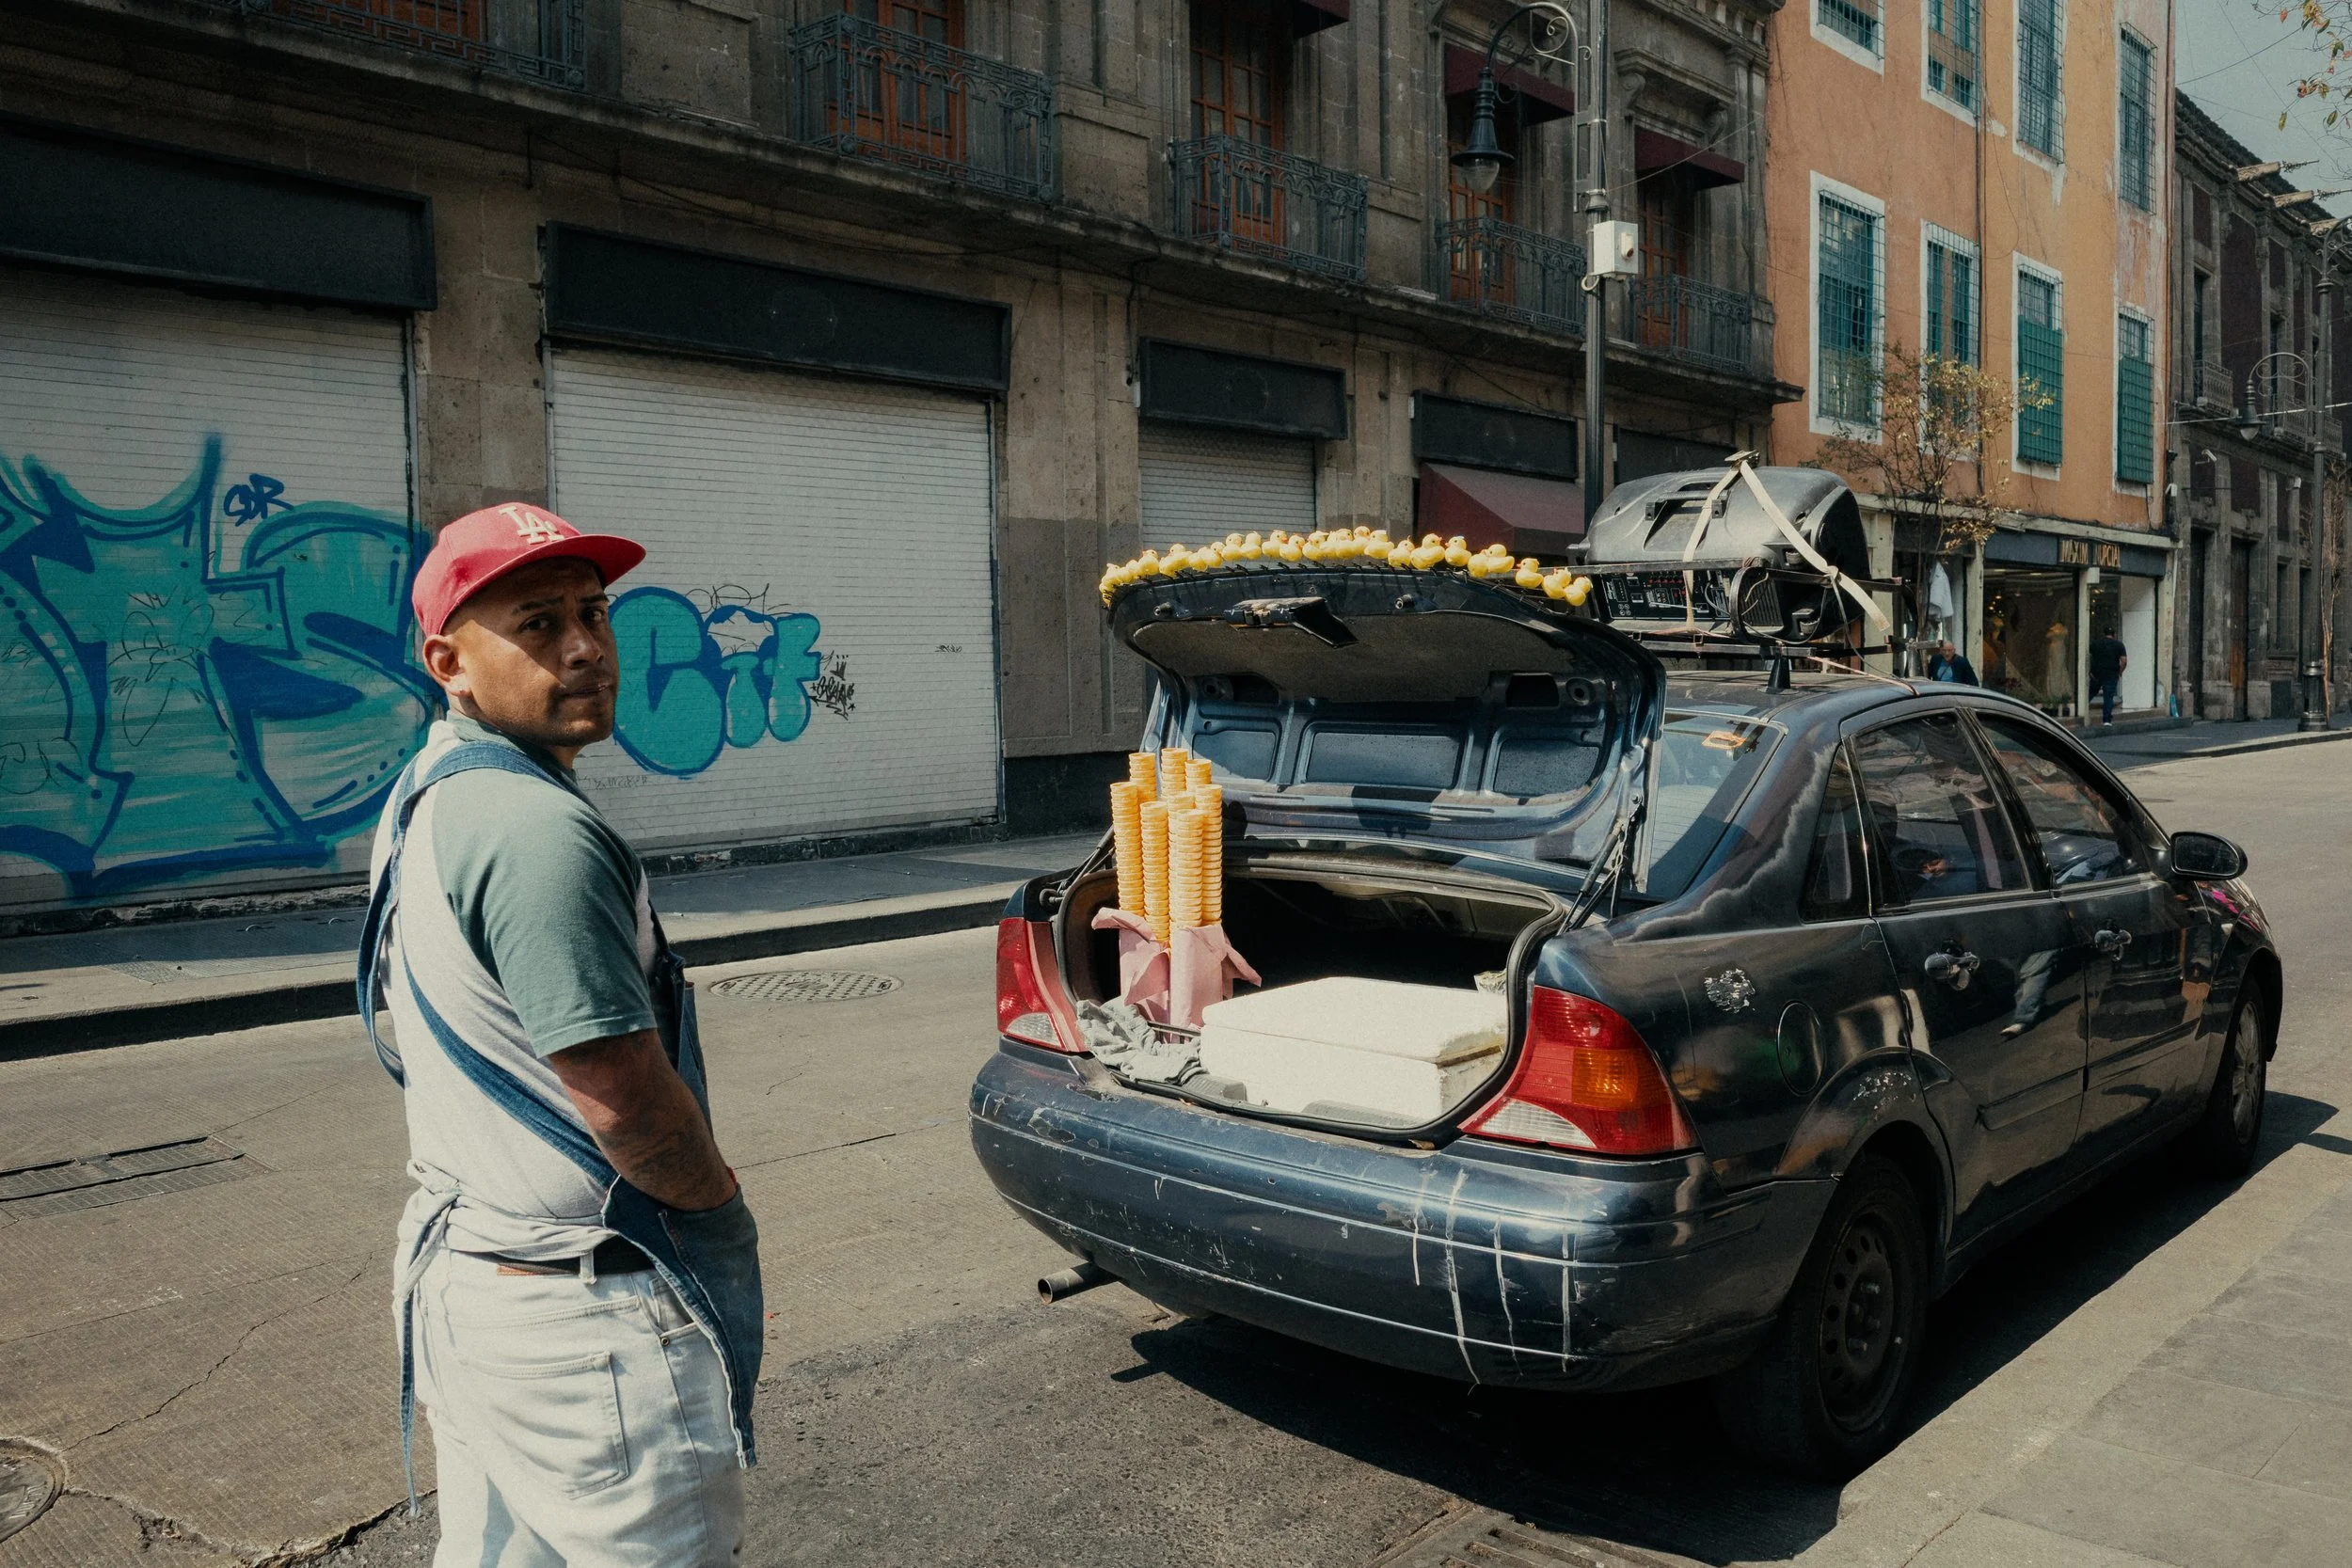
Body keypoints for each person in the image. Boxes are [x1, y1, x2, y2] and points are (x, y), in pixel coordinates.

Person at [358, 503, 761, 1567]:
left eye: (594, 612)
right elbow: (624, 1098)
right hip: (585, 1337)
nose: (585, 646)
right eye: (537, 624)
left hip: (474, 1293)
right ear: (449, 659)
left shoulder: (428, 796)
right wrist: (716, 1204)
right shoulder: (538, 833)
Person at [2089, 628, 2129, 724]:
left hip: (2097, 673)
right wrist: (2120, 672)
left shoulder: (2096, 644)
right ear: (2114, 635)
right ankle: (2106, 720)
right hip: (2111, 674)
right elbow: (2124, 661)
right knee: (2108, 697)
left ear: (2104, 634)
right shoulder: (2119, 645)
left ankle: (2080, 711)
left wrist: (2090, 671)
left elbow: (2089, 657)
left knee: (2090, 693)